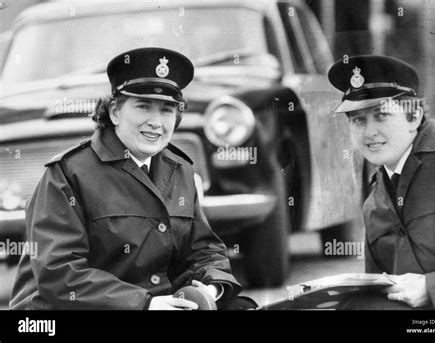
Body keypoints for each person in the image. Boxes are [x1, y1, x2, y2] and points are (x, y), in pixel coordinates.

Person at [9, 47, 256, 310]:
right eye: (143, 107)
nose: (156, 122)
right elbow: (59, 273)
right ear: (114, 112)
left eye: (166, 110)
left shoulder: (180, 169)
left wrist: (210, 288)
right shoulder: (66, 174)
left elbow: (203, 249)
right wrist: (145, 305)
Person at [328, 55, 435, 310]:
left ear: (414, 116)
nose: (369, 132)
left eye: (381, 115)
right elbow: (377, 286)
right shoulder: (375, 196)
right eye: (358, 120)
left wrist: (433, 286)